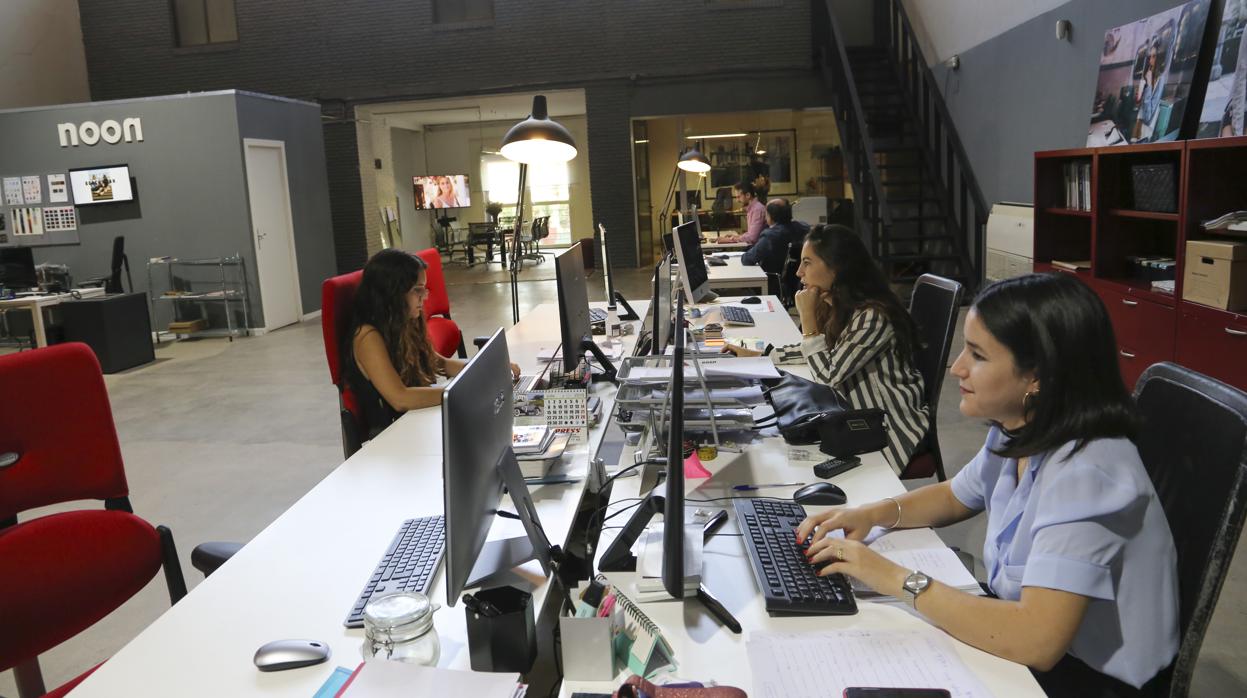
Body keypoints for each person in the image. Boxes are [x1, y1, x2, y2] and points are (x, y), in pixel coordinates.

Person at [797, 272, 1178, 697]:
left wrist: (890, 576)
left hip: (1089, 678)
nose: (957, 366)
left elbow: (1038, 641)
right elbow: (956, 493)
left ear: (1038, 376)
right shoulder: (1019, 426)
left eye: (977, 355)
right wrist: (873, 513)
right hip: (1029, 636)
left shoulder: (1089, 472)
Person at [725, 224, 928, 474]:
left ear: (837, 266)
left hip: (885, 427)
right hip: (848, 411)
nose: (799, 272)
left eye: (807, 263)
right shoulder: (840, 304)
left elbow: (828, 375)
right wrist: (761, 357)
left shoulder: (873, 316)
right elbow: (822, 352)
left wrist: (808, 320)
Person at [343, 249, 518, 440]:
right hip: (395, 437)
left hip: (417, 421)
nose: (424, 297)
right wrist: (463, 393)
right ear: (392, 293)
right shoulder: (368, 337)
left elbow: (440, 363)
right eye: (417, 290)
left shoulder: (402, 322)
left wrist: (490, 371)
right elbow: (400, 398)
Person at [740, 198, 807, 277]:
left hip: (772, 281)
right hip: (799, 279)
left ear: (770, 216)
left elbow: (748, 259)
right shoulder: (804, 228)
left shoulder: (770, 235)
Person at [716, 180, 765, 245]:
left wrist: (729, 239)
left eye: (738, 197)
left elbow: (752, 238)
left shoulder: (757, 209)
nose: (737, 200)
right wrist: (736, 237)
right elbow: (751, 233)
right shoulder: (753, 208)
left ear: (748, 195)